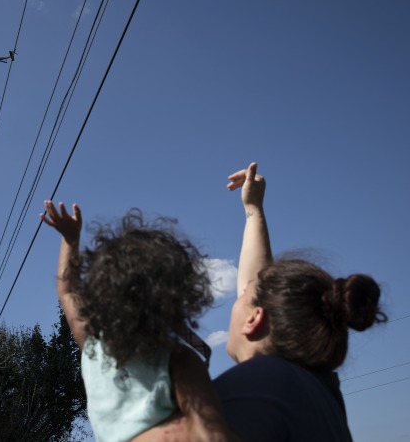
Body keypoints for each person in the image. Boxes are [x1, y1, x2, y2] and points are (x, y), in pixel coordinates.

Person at [137, 162, 387, 441]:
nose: (240, 292)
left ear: (255, 319)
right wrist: (253, 210)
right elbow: (256, 283)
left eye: (243, 296)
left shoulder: (262, 380)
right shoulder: (321, 386)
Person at [40, 201, 236, 442]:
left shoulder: (94, 348)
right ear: (178, 299)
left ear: (100, 295)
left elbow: (68, 291)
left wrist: (70, 239)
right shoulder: (179, 361)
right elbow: (213, 436)